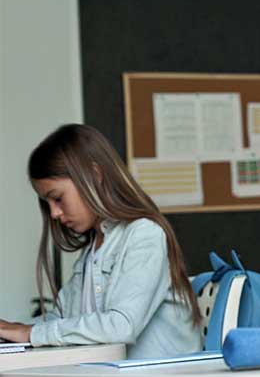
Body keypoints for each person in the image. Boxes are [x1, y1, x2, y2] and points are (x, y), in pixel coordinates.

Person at [0, 124, 202, 359]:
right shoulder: (93, 249)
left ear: (95, 176)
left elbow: (121, 326)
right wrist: (10, 331)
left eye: (57, 198)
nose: (54, 213)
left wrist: (31, 333)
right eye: (48, 204)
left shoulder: (145, 235)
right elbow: (62, 319)